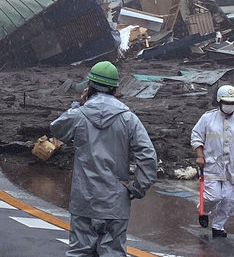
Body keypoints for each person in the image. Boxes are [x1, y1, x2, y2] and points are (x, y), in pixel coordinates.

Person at [51, 61, 158, 256]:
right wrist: (138, 188)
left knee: (79, 251)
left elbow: (57, 129)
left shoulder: (80, 115)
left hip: (84, 199)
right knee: (113, 252)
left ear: (89, 86)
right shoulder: (128, 118)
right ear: (115, 88)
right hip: (115, 202)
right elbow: (147, 155)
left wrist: (76, 107)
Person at [190, 84, 234, 238]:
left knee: (229, 200)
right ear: (219, 101)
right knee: (213, 197)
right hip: (212, 165)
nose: (229, 106)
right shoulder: (207, 118)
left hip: (233, 168)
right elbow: (196, 136)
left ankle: (218, 226)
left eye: (232, 103)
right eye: (226, 102)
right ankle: (204, 211)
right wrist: (200, 155)